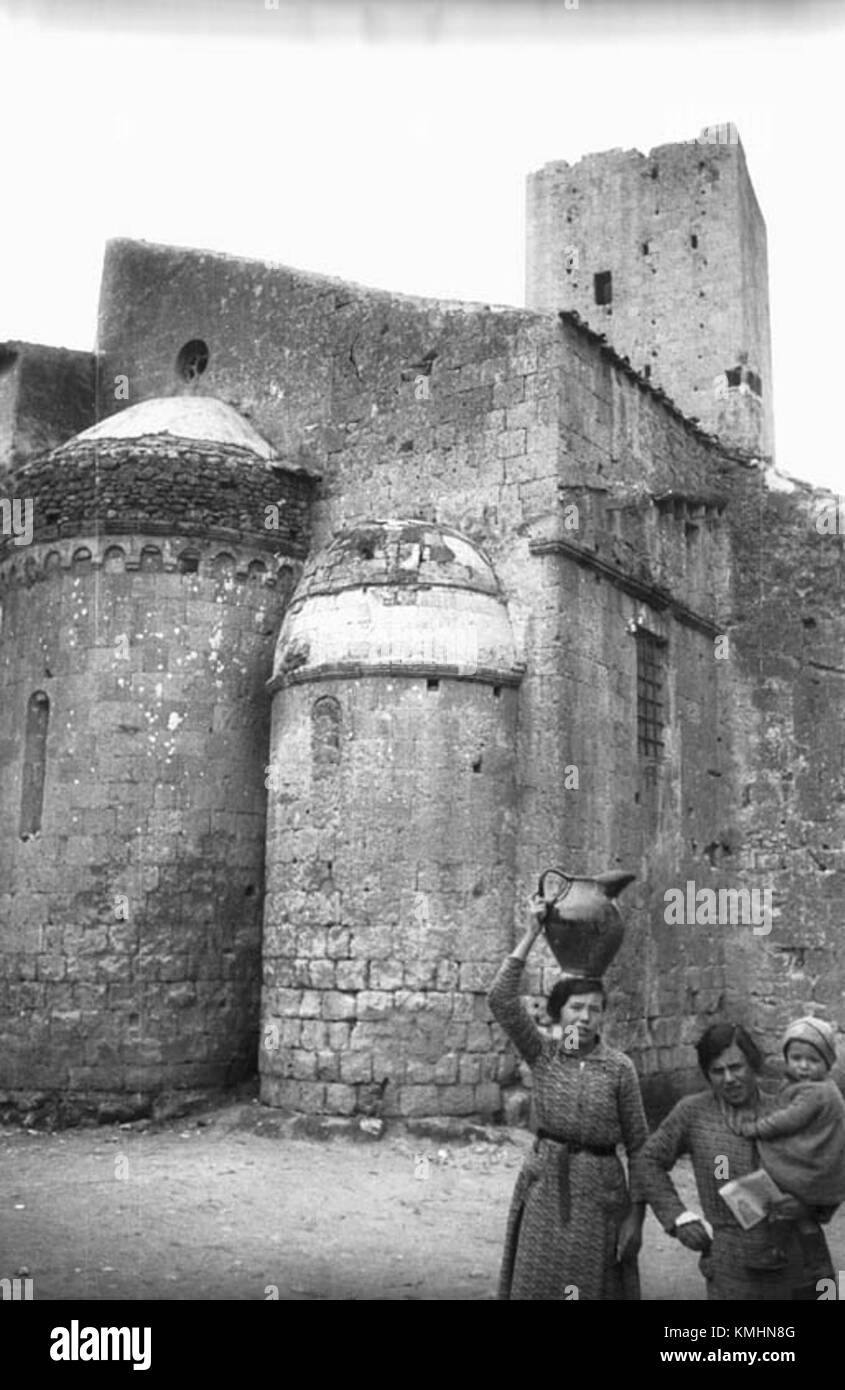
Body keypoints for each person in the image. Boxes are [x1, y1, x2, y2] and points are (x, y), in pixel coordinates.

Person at [488, 895, 649, 1301]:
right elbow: (501, 1000)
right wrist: (531, 933)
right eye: (576, 1007)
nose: (585, 1017)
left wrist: (636, 1217)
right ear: (558, 1014)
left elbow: (641, 1149)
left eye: (595, 1010)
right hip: (545, 1191)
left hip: (602, 1199)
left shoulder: (619, 1068)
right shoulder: (543, 1055)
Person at [636, 1021, 839, 1300]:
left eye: (737, 1067)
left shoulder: (786, 1110)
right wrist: (679, 1217)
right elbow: (648, 1160)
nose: (729, 1078)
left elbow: (830, 1163)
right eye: (718, 1071)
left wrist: (810, 1206)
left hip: (796, 1252)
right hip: (730, 1258)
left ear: (754, 1065)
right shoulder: (693, 1113)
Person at [724, 1016, 845, 1266]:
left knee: (771, 1193)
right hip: (820, 1169)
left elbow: (786, 1121)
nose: (803, 1066)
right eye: (796, 1058)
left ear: (828, 1062)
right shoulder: (821, 1088)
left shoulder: (816, 1092)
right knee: (802, 1218)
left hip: (809, 1166)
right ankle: (816, 1261)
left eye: (813, 1060)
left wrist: (753, 1129)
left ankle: (774, 1250)